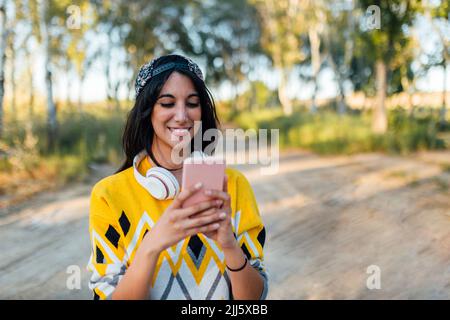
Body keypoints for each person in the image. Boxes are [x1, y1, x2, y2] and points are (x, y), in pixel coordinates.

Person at [87, 54, 268, 300]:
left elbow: (253, 301)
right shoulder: (109, 195)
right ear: (147, 111)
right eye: (167, 103)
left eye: (192, 103)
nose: (182, 116)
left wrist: (229, 246)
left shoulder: (233, 186)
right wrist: (152, 246)